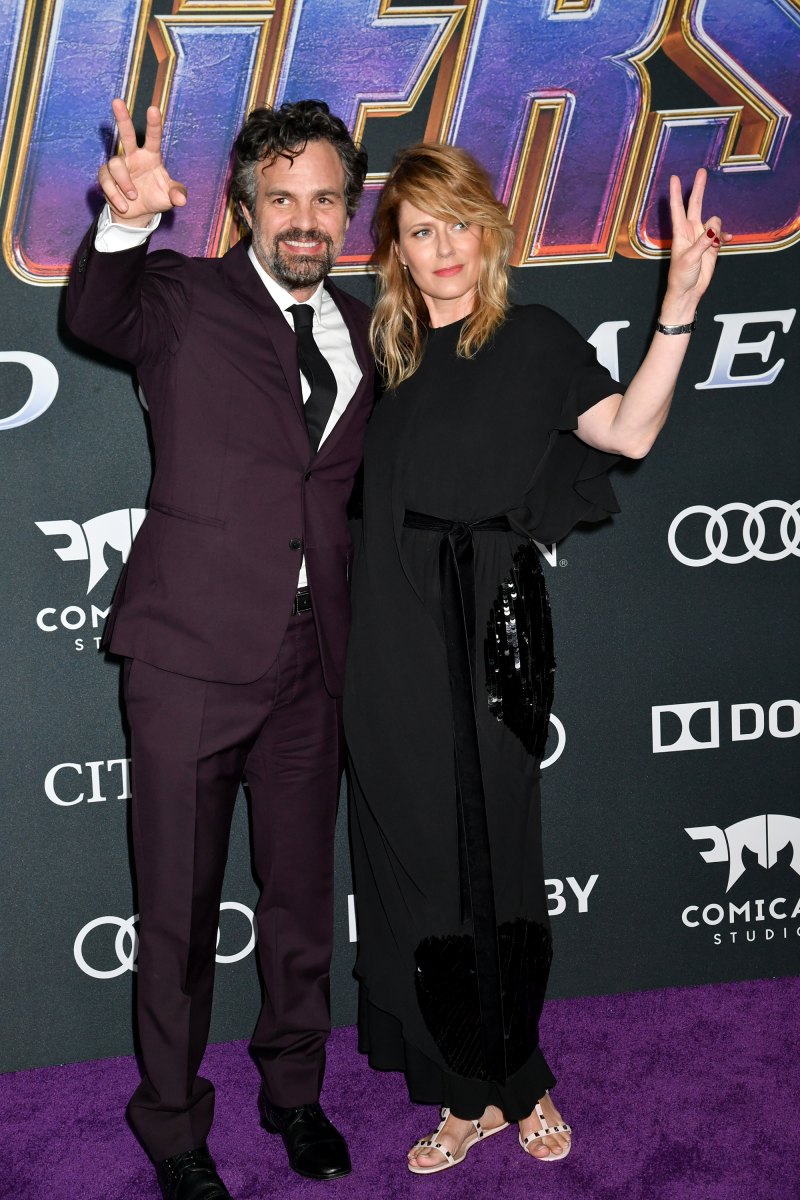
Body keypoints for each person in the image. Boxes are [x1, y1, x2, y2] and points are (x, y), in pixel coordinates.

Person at [343, 143, 726, 1174]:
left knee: (501, 855)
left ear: (489, 231)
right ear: (396, 249)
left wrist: (677, 308)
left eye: (456, 223)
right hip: (385, 631)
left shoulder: (537, 338)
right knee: (420, 864)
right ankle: (462, 1093)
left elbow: (629, 435)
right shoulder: (375, 350)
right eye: (418, 230)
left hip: (495, 624)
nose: (441, 249)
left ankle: (520, 1076)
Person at [67, 98, 373, 1200]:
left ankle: (295, 1094)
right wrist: (123, 223)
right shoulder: (182, 298)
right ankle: (170, 1124)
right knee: (176, 913)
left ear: (349, 210)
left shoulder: (363, 324)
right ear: (244, 202)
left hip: (311, 663)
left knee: (297, 901)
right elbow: (96, 316)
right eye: (281, 196)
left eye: (324, 198)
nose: (303, 218)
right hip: (189, 657)